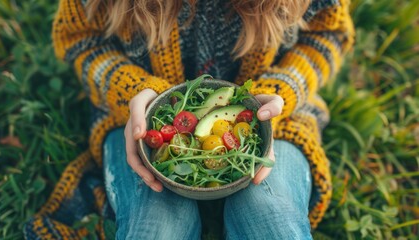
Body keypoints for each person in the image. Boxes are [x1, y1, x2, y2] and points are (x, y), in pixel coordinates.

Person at [25, 0, 354, 239]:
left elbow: (327, 35)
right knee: (156, 229)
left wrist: (276, 93)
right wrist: (132, 90)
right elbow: (81, 38)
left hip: (277, 120)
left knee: (270, 217)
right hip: (136, 118)